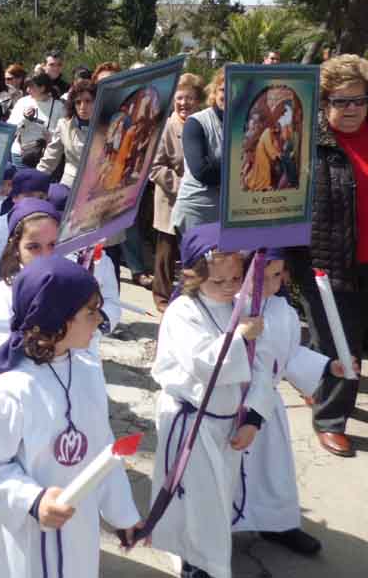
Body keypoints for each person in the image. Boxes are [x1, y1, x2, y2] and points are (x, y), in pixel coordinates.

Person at [0, 256, 141, 578]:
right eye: (90, 312)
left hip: (75, 527)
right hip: (23, 533)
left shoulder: (85, 372)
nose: (100, 320)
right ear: (58, 320)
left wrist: (123, 514)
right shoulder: (13, 389)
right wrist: (33, 500)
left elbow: (103, 450)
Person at [149, 224, 272, 578]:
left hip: (227, 420)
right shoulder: (183, 311)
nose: (230, 287)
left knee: (219, 495)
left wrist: (253, 419)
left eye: (236, 278)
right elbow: (203, 363)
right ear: (193, 276)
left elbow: (260, 368)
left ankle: (207, 556)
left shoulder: (241, 306)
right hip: (191, 421)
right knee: (197, 499)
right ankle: (197, 564)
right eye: (218, 282)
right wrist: (239, 338)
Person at [231, 251, 354, 555]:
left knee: (272, 469)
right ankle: (214, 532)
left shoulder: (282, 309)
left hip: (266, 408)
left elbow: (289, 354)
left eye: (278, 275)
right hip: (229, 404)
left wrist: (329, 366)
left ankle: (276, 523)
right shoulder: (228, 306)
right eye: (266, 276)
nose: (275, 283)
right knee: (227, 473)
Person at [291, 54, 368, 457]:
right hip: (327, 260)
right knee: (340, 343)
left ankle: (316, 386)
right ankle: (331, 419)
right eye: (341, 101)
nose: (352, 108)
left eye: (359, 99)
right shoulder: (309, 142)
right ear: (324, 103)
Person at [0, 197, 120, 365]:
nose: (45, 255)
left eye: (52, 245)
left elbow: (88, 348)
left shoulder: (71, 287)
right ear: (16, 248)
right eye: (33, 247)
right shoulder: (1, 297)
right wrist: (58, 342)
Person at [150, 73, 205, 312]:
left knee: (194, 252)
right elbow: (154, 166)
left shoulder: (205, 124)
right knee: (166, 254)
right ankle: (162, 299)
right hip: (171, 200)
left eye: (190, 98)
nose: (184, 103)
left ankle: (190, 296)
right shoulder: (166, 126)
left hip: (199, 203)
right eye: (180, 98)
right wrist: (181, 184)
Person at [0, 168, 52, 303]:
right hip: (1, 299)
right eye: (29, 196)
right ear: (14, 197)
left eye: (41, 197)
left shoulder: (52, 228)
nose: (36, 202)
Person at [171, 69, 225, 232]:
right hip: (197, 211)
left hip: (228, 212)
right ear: (214, 92)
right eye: (223, 89)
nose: (229, 94)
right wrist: (239, 169)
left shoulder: (246, 123)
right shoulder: (196, 123)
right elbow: (201, 171)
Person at [37, 78, 96, 187]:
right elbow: (50, 159)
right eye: (78, 102)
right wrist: (34, 180)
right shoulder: (64, 124)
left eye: (88, 101)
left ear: (97, 101)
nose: (83, 107)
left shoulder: (105, 124)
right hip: (70, 184)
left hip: (96, 184)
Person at [7, 69, 64, 168]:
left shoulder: (58, 106)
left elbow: (64, 134)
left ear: (42, 88)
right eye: (27, 86)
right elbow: (10, 129)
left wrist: (51, 137)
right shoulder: (22, 102)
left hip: (45, 158)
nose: (27, 90)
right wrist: (25, 119)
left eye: (31, 86)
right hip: (20, 155)